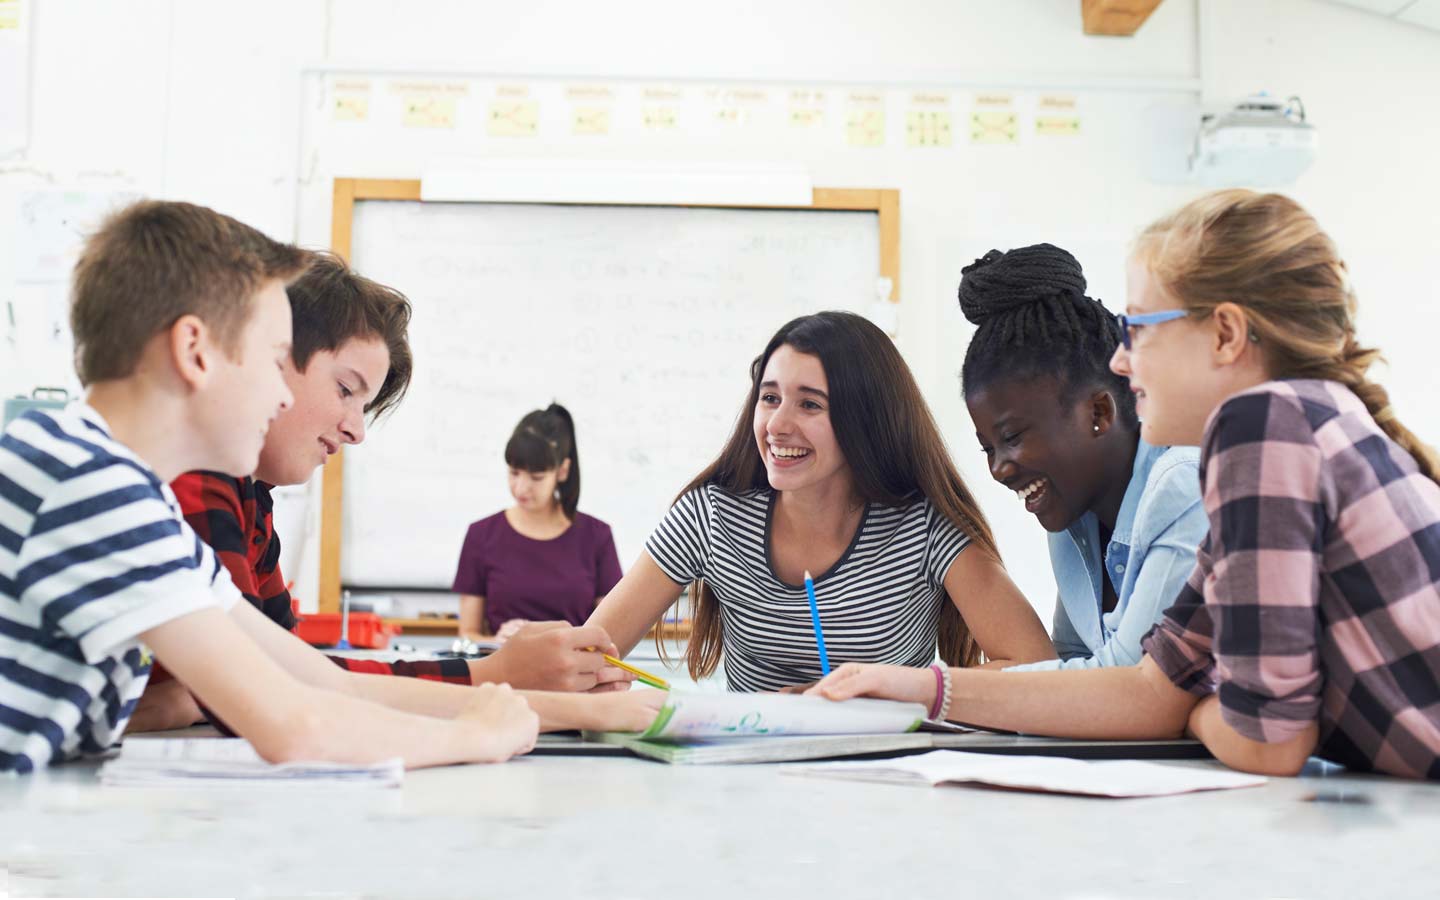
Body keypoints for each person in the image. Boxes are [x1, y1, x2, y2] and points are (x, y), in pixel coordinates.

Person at [0, 201, 657, 773]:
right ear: (195, 350)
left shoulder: (136, 503)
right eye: (268, 358)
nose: (275, 392)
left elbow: (314, 681)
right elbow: (294, 724)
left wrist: (569, 711)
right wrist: (476, 735)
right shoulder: (87, 480)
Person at [809, 191, 1440, 780]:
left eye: (1138, 329)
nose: (1119, 360)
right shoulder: (1294, 429)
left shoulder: (1263, 427)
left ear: (1224, 334)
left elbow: (1268, 740)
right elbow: (1149, 688)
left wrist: (1195, 714)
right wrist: (923, 687)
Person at [130, 256, 633, 733]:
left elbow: (293, 673)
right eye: (346, 391)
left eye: (364, 407)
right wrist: (499, 683)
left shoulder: (249, 497)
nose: (356, 431)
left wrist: (501, 678)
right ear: (270, 359)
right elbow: (264, 692)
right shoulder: (194, 473)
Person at [589, 311, 1055, 691]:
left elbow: (1035, 668)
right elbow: (590, 655)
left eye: (809, 404)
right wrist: (592, 676)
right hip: (749, 781)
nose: (777, 425)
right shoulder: (711, 517)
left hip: (888, 782)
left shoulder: (924, 526)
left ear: (866, 419)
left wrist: (888, 691)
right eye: (770, 398)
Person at [958, 243, 1207, 670]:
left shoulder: (1185, 485)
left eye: (1012, 436)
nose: (998, 469)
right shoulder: (1071, 518)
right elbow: (1074, 658)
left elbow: (1128, 680)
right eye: (988, 448)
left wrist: (936, 690)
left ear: (1098, 412)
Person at [454, 404, 623, 642]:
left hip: (576, 673)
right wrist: (497, 642)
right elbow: (468, 634)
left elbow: (612, 634)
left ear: (562, 471)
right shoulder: (481, 534)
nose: (521, 488)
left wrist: (556, 638)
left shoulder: (596, 536)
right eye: (514, 473)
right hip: (503, 673)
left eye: (536, 477)